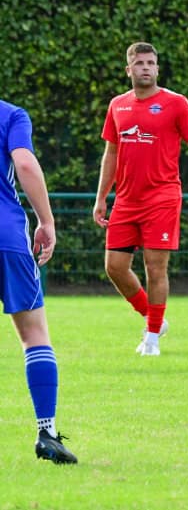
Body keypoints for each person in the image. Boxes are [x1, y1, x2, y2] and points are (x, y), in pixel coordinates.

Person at [93, 42, 188, 356]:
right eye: (139, 63)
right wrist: (101, 196)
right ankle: (153, 318)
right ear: (128, 69)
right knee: (114, 267)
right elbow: (111, 153)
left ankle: (151, 339)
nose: (145, 67)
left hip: (162, 198)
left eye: (150, 63)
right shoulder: (117, 105)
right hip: (125, 200)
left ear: (157, 68)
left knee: (155, 268)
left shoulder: (176, 103)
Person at [1, 99, 78, 464]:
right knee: (34, 335)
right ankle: (47, 433)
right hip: (6, 237)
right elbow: (26, 164)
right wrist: (46, 221)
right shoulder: (11, 114)